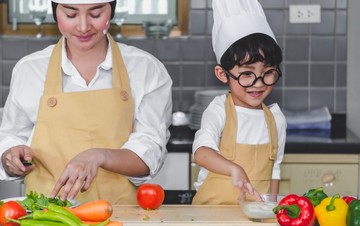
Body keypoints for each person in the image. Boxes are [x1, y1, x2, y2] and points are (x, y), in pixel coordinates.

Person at [0, 0, 172, 205]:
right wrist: (11, 157)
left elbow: (150, 152)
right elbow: (11, 137)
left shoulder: (146, 68)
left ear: (112, 11)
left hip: (122, 216)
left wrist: (98, 156)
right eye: (71, 15)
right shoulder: (29, 69)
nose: (83, 26)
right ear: (55, 13)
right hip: (46, 220)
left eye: (96, 14)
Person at [191, 0, 287, 205]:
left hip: (254, 220)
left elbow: (275, 171)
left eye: (268, 73)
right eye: (247, 74)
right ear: (222, 74)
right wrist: (235, 169)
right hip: (210, 218)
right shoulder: (219, 110)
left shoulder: (276, 120)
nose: (258, 84)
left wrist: (270, 210)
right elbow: (201, 152)